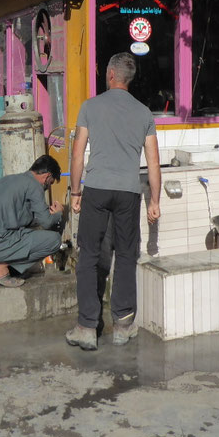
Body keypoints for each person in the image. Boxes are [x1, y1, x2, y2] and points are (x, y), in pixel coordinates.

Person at [66, 52, 162, 351]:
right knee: (125, 255)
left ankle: (86, 326)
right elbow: (153, 162)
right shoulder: (144, 113)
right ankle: (122, 326)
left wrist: (75, 192)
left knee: (89, 255)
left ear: (110, 74)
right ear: (129, 79)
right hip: (128, 192)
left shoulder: (91, 107)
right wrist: (155, 200)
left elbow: (78, 153)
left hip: (95, 188)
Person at [0, 155, 65, 288]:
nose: (48, 187)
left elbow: (19, 217)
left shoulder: (8, 179)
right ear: (47, 176)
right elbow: (46, 222)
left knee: (26, 233)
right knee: (54, 240)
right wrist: (58, 214)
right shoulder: (34, 186)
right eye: (50, 183)